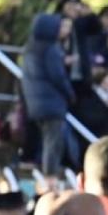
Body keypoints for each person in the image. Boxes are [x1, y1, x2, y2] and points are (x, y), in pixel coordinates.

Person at [21, 13, 77, 174]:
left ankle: (47, 174)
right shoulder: (51, 49)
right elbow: (58, 76)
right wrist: (70, 94)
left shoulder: (30, 49)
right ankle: (50, 177)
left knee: (47, 141)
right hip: (52, 105)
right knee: (54, 143)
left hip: (35, 104)